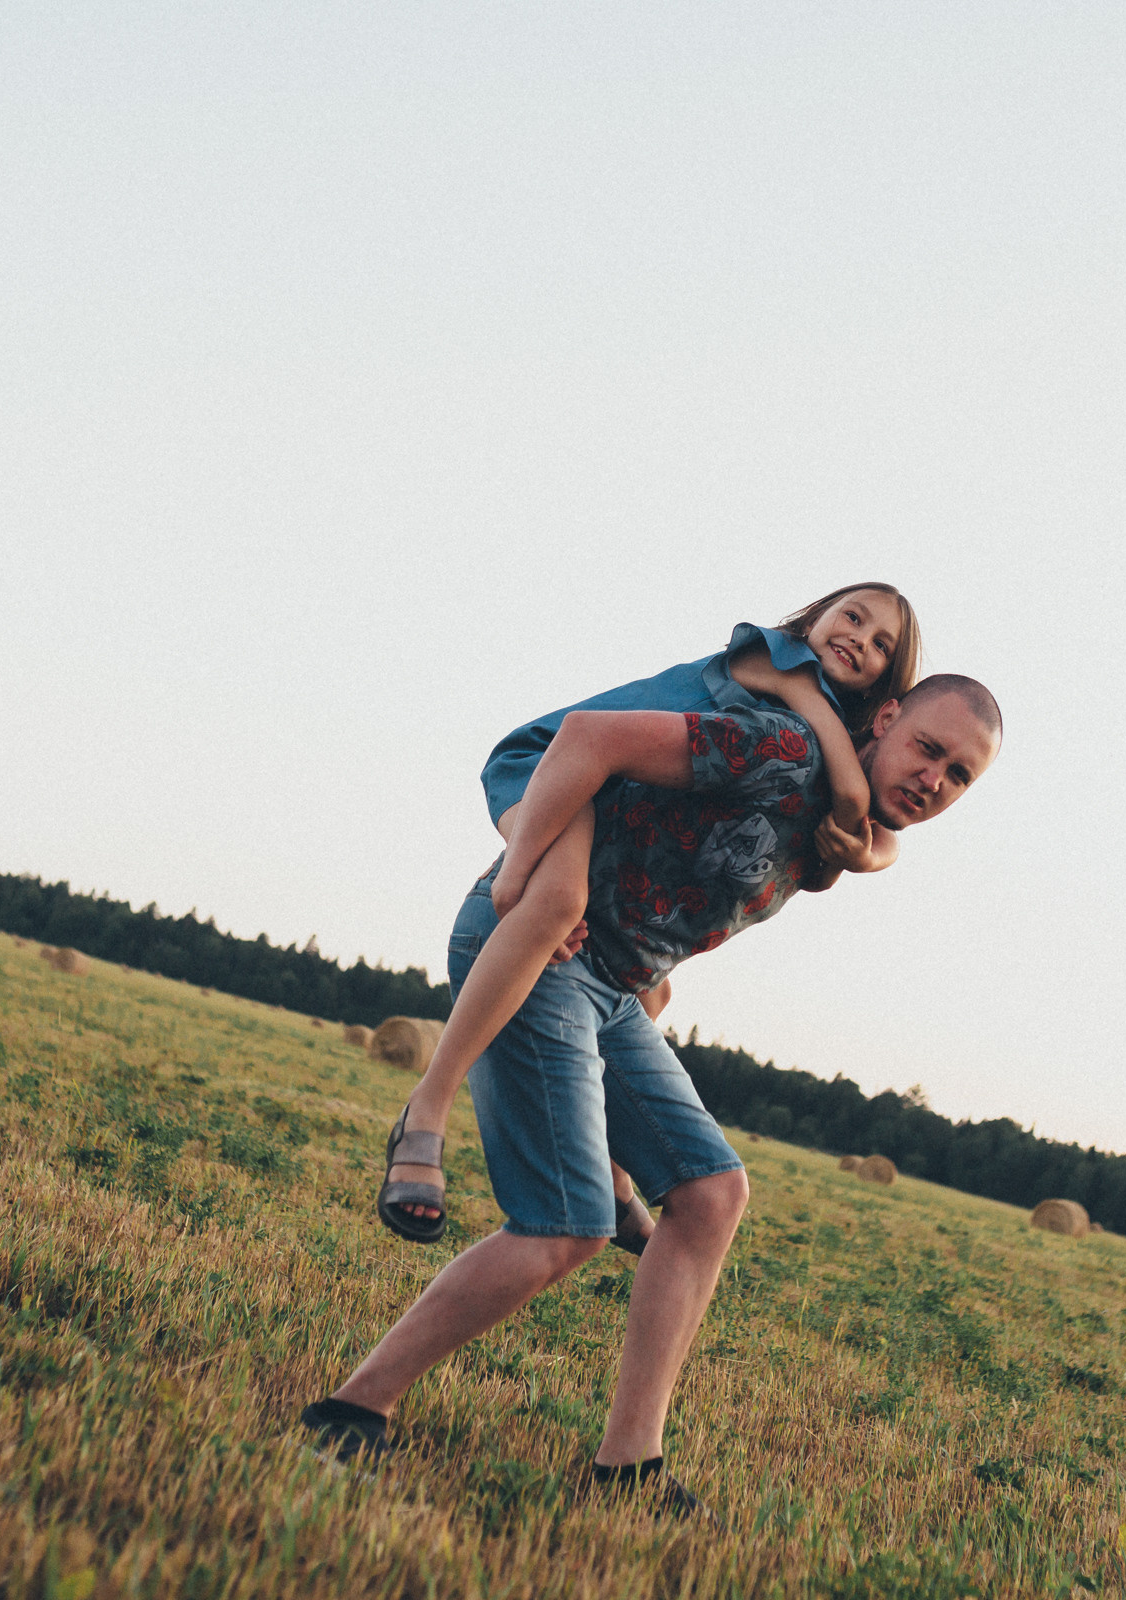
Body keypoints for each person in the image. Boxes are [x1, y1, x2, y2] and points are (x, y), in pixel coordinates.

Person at [305, 672, 1002, 1515]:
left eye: (959, 776)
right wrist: (523, 877)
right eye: (929, 748)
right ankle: (352, 1408)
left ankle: (627, 1467)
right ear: (885, 719)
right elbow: (588, 739)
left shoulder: (838, 828)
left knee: (712, 1195)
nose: (935, 780)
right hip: (544, 953)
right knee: (566, 1227)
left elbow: (855, 847)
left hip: (614, 989)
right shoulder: (778, 750)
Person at [376, 586, 923, 1250]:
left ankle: (610, 1169)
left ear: (888, 684)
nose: (860, 639)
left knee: (649, 989)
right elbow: (849, 788)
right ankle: (426, 1109)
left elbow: (859, 818)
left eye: (881, 644)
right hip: (555, 765)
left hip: (601, 793)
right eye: (853, 618)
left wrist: (874, 848)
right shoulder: (776, 660)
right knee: (557, 902)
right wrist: (520, 870)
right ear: (815, 619)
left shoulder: (819, 723)